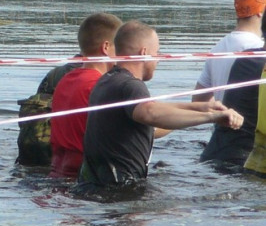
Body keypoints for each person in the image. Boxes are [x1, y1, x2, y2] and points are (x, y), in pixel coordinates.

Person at [79, 21, 242, 189]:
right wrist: (211, 117)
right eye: (157, 53)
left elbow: (153, 123)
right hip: (118, 192)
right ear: (144, 53)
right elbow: (151, 114)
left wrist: (200, 107)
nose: (159, 59)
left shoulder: (106, 81)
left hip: (93, 186)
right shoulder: (130, 85)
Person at [47, 13, 122, 178]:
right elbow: (140, 127)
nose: (123, 53)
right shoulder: (101, 86)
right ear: (106, 48)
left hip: (57, 170)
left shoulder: (65, 80)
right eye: (119, 48)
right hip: (83, 177)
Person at [193, 0, 265, 103]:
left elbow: (198, 101)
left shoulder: (217, 49)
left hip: (224, 121)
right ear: (260, 11)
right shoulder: (259, 50)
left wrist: (220, 112)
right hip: (252, 122)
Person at [199, 53, 265, 166]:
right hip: (245, 160)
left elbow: (198, 100)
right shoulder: (260, 64)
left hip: (213, 152)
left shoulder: (246, 58)